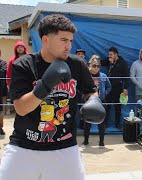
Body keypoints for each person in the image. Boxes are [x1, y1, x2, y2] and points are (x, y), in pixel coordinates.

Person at [0, 14, 106, 180]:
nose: (68, 46)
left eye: (70, 41)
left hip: (65, 147)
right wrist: (46, 84)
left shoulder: (77, 64)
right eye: (63, 40)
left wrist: (93, 100)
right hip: (24, 146)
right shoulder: (24, 65)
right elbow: (20, 108)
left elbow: (90, 90)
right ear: (45, 40)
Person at [82, 55, 111, 148]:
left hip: (101, 101)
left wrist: (104, 93)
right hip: (89, 102)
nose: (96, 68)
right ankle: (86, 141)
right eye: (94, 66)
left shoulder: (103, 76)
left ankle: (101, 142)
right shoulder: (86, 76)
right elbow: (80, 87)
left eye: (98, 66)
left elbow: (109, 87)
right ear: (89, 65)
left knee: (102, 123)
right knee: (87, 123)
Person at [101, 47, 129, 129]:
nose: (109, 56)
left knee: (118, 107)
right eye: (109, 54)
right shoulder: (109, 60)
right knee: (107, 106)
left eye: (111, 54)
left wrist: (126, 88)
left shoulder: (123, 63)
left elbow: (126, 76)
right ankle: (105, 124)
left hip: (118, 88)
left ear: (116, 54)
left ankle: (117, 124)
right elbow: (100, 63)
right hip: (109, 87)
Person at [0, 49, 7, 135]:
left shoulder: (3, 63)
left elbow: (2, 72)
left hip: (1, 91)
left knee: (1, 111)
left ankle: (0, 127)